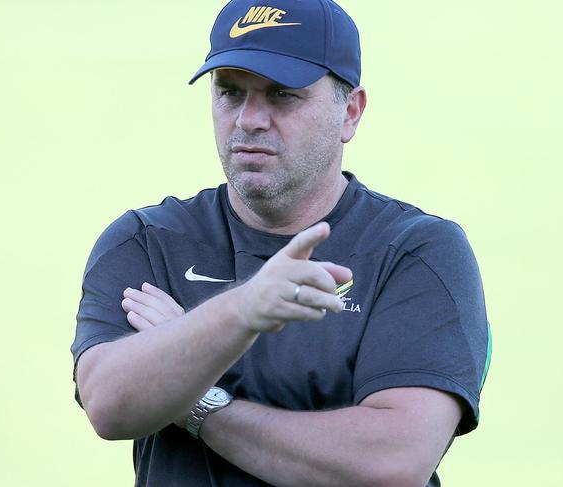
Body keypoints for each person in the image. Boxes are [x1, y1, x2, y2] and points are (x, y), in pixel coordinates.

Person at [70, 1, 491, 485]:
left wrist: (196, 400)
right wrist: (243, 309)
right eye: (230, 92)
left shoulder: (416, 251)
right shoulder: (148, 242)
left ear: (350, 112)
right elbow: (108, 404)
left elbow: (391, 465)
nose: (249, 119)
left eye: (282, 95)